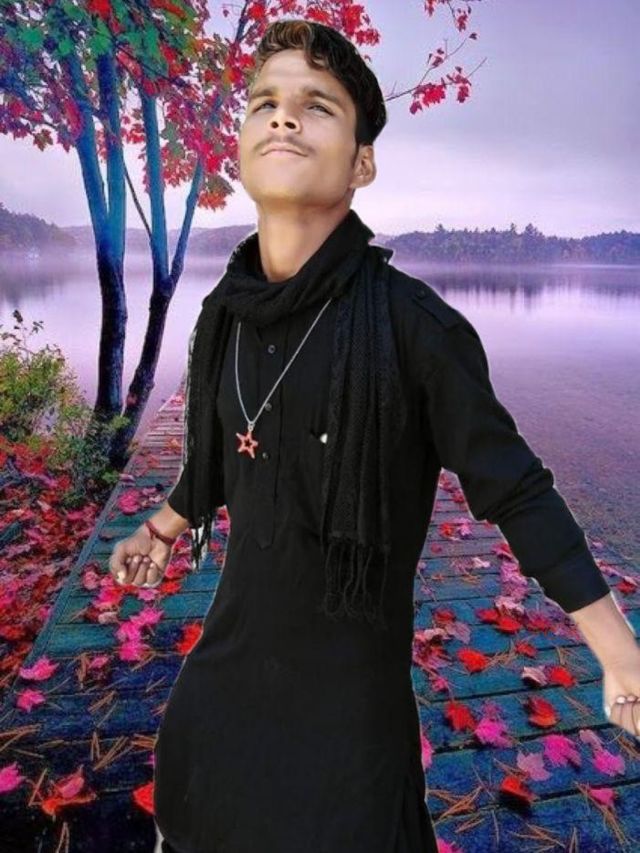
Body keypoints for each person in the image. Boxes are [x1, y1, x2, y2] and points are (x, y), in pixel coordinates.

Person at [109, 19, 640, 853]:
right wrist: (162, 525)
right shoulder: (221, 318)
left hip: (346, 732)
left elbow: (517, 490)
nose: (283, 117)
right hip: (216, 706)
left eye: (316, 105)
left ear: (362, 163)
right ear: (239, 148)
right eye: (265, 102)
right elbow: (218, 461)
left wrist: (620, 651)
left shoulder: (413, 329)